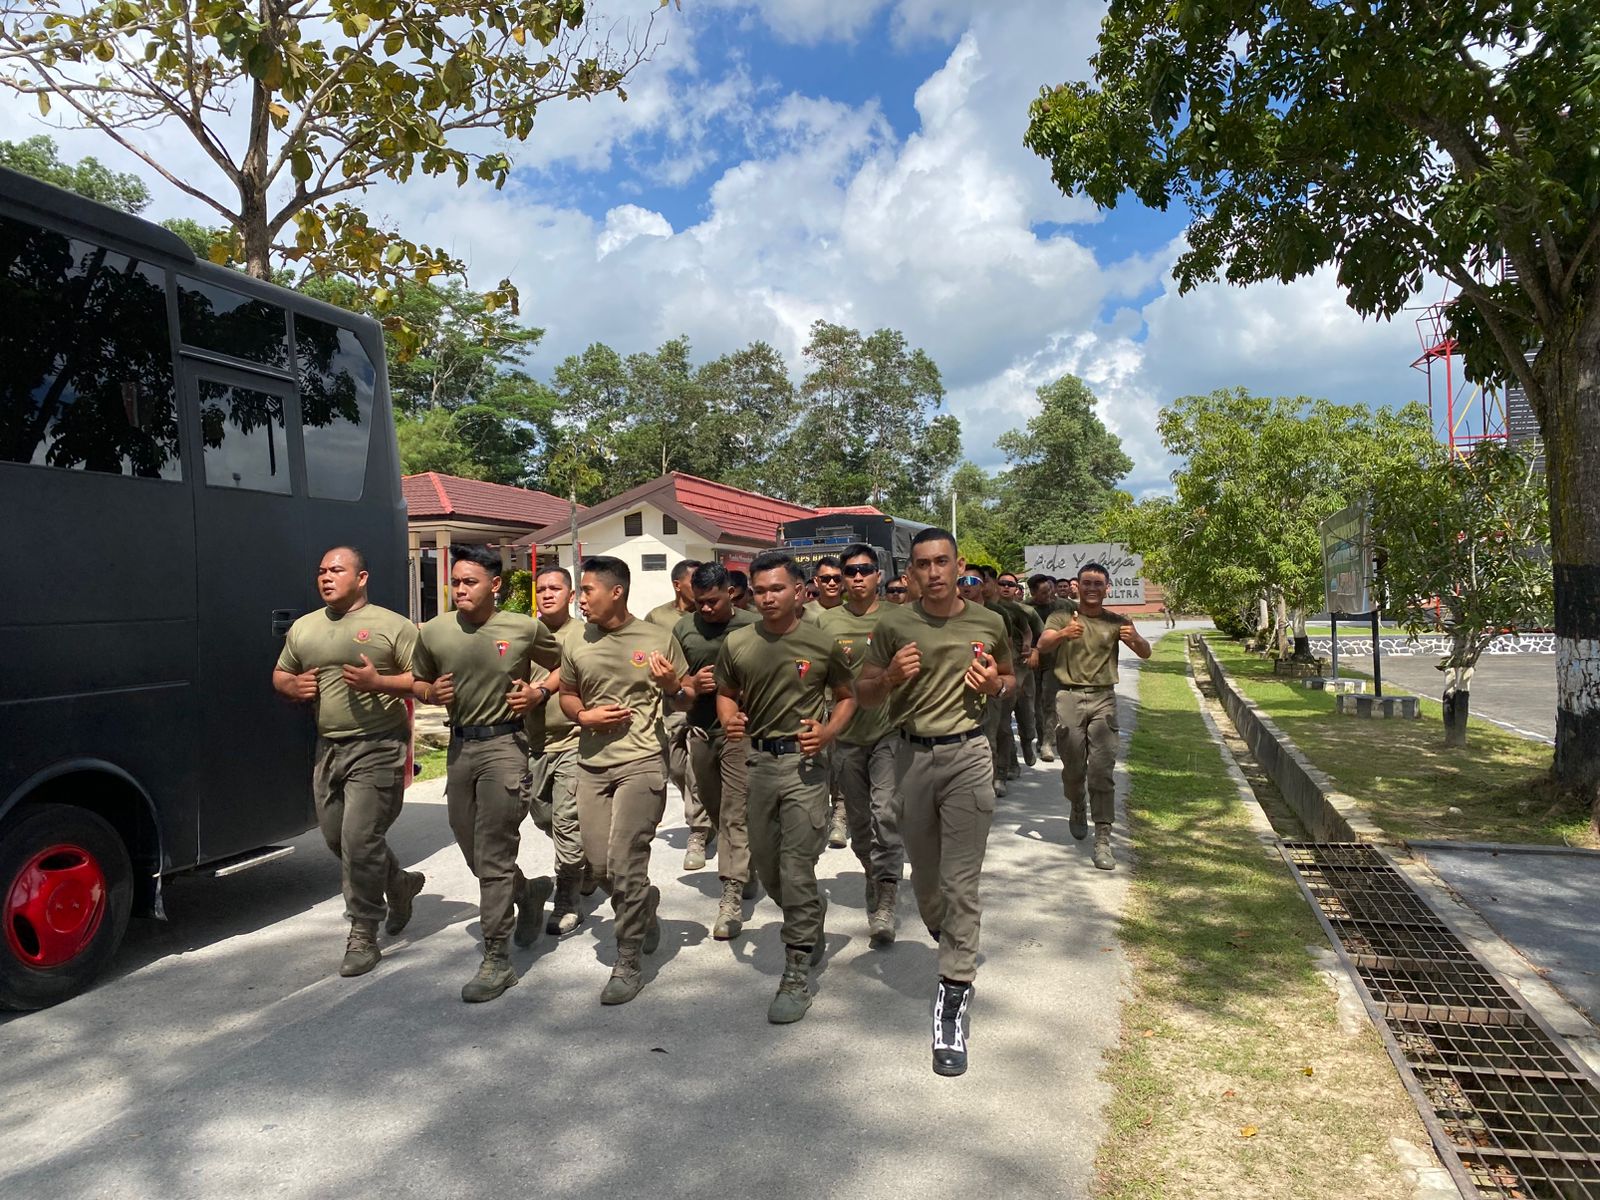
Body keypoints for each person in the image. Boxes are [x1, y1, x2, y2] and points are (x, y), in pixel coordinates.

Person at [857, 528, 1014, 1078]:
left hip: (968, 754)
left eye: (942, 562)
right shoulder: (893, 625)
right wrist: (888, 677)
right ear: (911, 572)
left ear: (958, 564)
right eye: (922, 564)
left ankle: (953, 995)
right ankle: (950, 938)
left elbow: (1010, 679)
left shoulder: (989, 622)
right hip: (910, 757)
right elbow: (864, 692)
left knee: (959, 883)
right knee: (926, 883)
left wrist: (995, 685)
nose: (933, 572)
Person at [412, 545, 560, 1003]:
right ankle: (527, 892)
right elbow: (417, 681)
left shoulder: (523, 628)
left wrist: (538, 693)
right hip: (460, 747)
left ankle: (497, 957)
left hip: (505, 746)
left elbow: (563, 666)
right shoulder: (434, 631)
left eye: (469, 582)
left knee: (493, 852)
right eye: (455, 582)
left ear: (494, 585)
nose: (459, 589)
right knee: (471, 848)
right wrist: (429, 693)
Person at [716, 551, 854, 1023]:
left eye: (776, 588)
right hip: (757, 762)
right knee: (769, 867)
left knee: (795, 867)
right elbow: (725, 694)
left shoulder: (822, 643)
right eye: (759, 590)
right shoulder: (738, 642)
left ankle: (795, 971)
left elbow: (847, 697)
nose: (767, 597)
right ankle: (810, 912)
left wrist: (828, 733)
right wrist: (729, 719)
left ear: (798, 591)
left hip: (805, 767)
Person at [273, 546, 422, 979]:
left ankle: (363, 933)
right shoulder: (305, 628)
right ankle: (399, 883)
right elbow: (281, 673)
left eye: (336, 570)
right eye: (321, 571)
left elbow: (423, 681)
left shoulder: (392, 626)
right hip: (329, 748)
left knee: (359, 841)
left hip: (379, 746)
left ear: (361, 578)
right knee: (338, 839)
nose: (326, 577)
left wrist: (379, 682)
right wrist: (291, 686)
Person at [561, 556, 688, 1004]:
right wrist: (583, 716)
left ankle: (628, 960)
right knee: (598, 869)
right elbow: (567, 693)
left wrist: (671, 685)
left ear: (616, 592)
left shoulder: (656, 638)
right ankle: (643, 905)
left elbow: (687, 695)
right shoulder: (576, 640)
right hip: (592, 764)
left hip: (642, 761)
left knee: (626, 863)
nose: (581, 599)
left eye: (587, 590)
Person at [1034, 562, 1152, 871]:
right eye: (1086, 582)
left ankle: (1103, 838)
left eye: (1098, 583)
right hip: (1068, 696)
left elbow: (1145, 652)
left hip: (1103, 698)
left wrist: (1135, 639)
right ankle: (1077, 802)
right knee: (1074, 768)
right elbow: (1042, 645)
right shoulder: (1063, 616)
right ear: (1078, 585)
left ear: (1107, 588)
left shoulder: (1116, 621)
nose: (1091, 588)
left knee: (1101, 769)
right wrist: (1064, 634)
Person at [820, 543, 905, 945]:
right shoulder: (825, 622)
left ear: (878, 575)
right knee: (858, 823)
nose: (857, 577)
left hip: (890, 731)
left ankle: (886, 895)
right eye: (850, 571)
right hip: (846, 736)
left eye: (865, 570)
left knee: (885, 813)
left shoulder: (898, 618)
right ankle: (873, 872)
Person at [673, 562, 759, 939]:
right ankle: (745, 864)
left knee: (734, 811)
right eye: (700, 602)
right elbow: (675, 687)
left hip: (741, 732)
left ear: (731, 593)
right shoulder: (683, 629)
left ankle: (731, 897)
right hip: (701, 732)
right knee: (714, 808)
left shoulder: (753, 626)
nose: (706, 608)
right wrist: (692, 684)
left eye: (713, 601)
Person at [523, 566, 587, 936]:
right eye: (541, 589)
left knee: (566, 822)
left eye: (555, 588)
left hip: (574, 741)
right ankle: (584, 863)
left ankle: (567, 899)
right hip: (534, 743)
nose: (547, 595)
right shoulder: (525, 634)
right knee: (543, 816)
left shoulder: (583, 635)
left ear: (571, 595)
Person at [646, 559, 714, 872]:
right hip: (670, 703)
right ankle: (708, 809)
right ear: (677, 585)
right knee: (675, 767)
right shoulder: (657, 617)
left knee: (695, 768)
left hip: (702, 702)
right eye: (694, 580)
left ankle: (698, 831)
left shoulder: (708, 614)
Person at [1026, 573, 1076, 764]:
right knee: (1034, 703)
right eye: (1043, 593)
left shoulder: (1064, 605)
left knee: (1049, 701)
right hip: (1031, 661)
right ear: (1033, 593)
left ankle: (1047, 742)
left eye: (1050, 590)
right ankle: (1040, 738)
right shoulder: (1026, 609)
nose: (1049, 595)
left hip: (1055, 661)